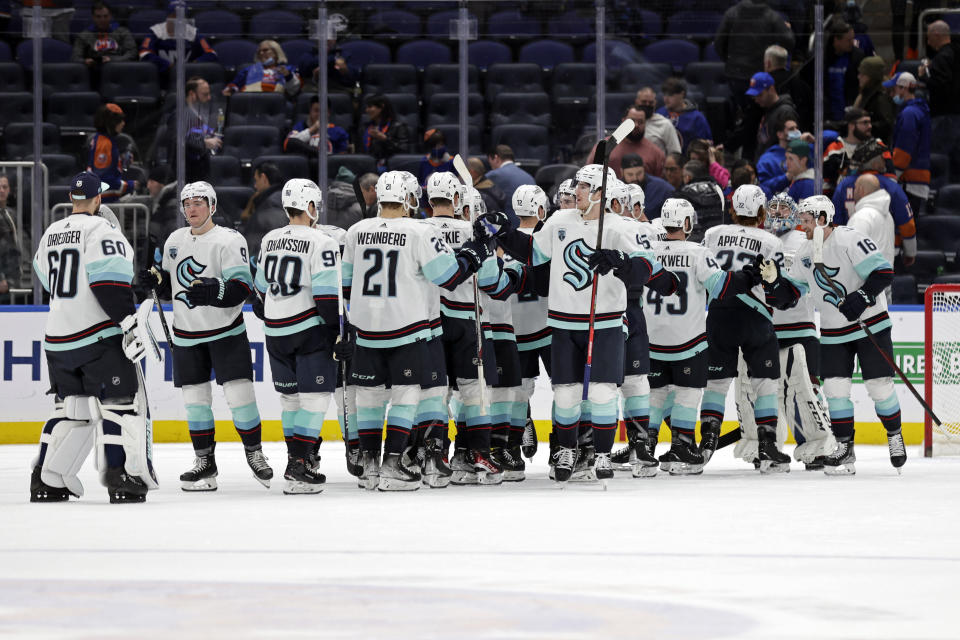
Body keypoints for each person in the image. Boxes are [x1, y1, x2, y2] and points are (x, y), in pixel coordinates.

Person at [477, 164, 679, 483]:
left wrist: (620, 262)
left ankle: (600, 454)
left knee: (601, 393)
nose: (576, 191)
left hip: (606, 323)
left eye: (584, 187)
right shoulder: (559, 220)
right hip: (564, 322)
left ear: (600, 193)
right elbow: (533, 253)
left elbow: (647, 268)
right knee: (566, 394)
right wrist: (504, 232)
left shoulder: (619, 227)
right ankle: (568, 450)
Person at [342, 171, 490, 491]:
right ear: (409, 198)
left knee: (368, 397)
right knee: (407, 395)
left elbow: (344, 285)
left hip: (366, 330)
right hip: (409, 327)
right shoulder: (419, 231)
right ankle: (394, 464)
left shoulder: (355, 231)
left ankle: (369, 465)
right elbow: (449, 277)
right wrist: (477, 251)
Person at [30, 172, 155, 503]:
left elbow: (45, 277)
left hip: (56, 339)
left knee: (69, 409)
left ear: (73, 198)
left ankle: (45, 480)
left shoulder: (51, 232)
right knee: (122, 404)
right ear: (99, 198)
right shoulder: (102, 229)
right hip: (96, 337)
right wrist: (129, 322)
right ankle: (121, 476)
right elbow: (109, 284)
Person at [142, 181, 273, 491]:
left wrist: (216, 291)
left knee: (241, 399)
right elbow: (169, 290)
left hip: (226, 332)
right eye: (187, 204)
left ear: (212, 206)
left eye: (198, 203)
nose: (191, 209)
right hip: (187, 334)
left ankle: (255, 454)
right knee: (195, 403)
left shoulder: (229, 240)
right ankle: (205, 462)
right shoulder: (174, 240)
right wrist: (156, 281)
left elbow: (242, 288)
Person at [784, 195, 905, 474]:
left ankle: (894, 434)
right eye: (801, 222)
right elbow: (792, 292)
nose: (802, 227)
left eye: (806, 221)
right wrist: (773, 284)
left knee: (879, 386)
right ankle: (844, 448)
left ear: (823, 219)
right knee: (835, 390)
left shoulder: (850, 240)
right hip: (833, 330)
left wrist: (862, 297)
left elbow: (883, 272)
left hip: (870, 325)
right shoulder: (804, 253)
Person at [643, 198, 761, 474]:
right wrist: (748, 276)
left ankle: (644, 447)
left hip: (652, 339)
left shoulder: (648, 251)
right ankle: (681, 446)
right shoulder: (697, 252)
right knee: (687, 393)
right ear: (687, 223)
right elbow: (721, 287)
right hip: (688, 341)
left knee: (655, 394)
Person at [253, 179, 344, 494]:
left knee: (290, 400)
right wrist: (336, 331)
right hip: (308, 328)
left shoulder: (270, 238)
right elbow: (327, 297)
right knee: (315, 399)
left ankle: (295, 462)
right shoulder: (322, 241)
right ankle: (300, 464)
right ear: (310, 206)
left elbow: (260, 291)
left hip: (274, 329)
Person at [699, 184, 794, 472]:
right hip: (756, 316)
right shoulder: (771, 242)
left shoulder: (712, 235)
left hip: (719, 313)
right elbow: (778, 286)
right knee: (765, 382)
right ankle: (767, 446)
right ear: (762, 212)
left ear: (733, 209)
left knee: (716, 383)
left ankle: (706, 443)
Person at [762, 193, 835, 468]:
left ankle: (816, 447)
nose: (778, 214)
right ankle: (770, 450)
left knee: (808, 391)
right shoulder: (762, 240)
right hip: (768, 329)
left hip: (801, 326)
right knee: (770, 393)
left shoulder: (804, 241)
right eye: (774, 209)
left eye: (784, 209)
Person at [506, 185, 551, 463]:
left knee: (519, 389)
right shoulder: (549, 238)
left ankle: (518, 431)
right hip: (548, 325)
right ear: (541, 209)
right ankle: (564, 448)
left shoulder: (505, 240)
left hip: (515, 326)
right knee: (566, 388)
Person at [832, 138, 917, 266]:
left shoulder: (843, 185)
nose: (885, 162)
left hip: (849, 256)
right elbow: (908, 226)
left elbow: (835, 224)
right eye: (882, 159)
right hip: (885, 253)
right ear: (876, 164)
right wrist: (910, 252)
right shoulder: (891, 187)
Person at [714, 0, 795, 104]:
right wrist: (788, 30)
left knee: (739, 109)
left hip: (735, 74)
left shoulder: (731, 13)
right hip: (760, 74)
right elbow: (789, 42)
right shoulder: (771, 16)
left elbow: (718, 43)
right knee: (758, 111)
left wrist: (731, 60)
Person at [886, 72, 931, 215]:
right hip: (915, 179)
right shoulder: (919, 110)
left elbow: (904, 149)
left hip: (909, 181)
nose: (891, 94)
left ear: (903, 88)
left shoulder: (909, 114)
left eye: (893, 90)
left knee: (904, 229)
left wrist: (893, 177)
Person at [920, 20, 960, 181]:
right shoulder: (955, 53)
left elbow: (941, 85)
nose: (928, 41)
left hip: (944, 117)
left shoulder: (943, 57)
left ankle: (938, 193)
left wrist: (924, 76)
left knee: (939, 157)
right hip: (955, 114)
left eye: (929, 37)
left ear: (937, 35)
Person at [807, 18, 864, 123]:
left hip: (849, 112)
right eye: (848, 40)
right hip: (827, 113)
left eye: (853, 39)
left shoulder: (857, 57)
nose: (852, 43)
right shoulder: (820, 58)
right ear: (836, 40)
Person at [734, 72, 800, 162]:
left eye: (760, 95)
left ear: (771, 89)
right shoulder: (769, 110)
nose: (756, 100)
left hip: (777, 168)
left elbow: (794, 143)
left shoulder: (785, 112)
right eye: (754, 97)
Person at [166, 76, 221, 184]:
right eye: (205, 94)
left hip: (199, 175)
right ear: (192, 94)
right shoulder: (180, 115)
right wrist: (204, 143)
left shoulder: (198, 115)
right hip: (185, 176)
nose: (209, 98)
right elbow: (177, 141)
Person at [138, 3, 218, 76]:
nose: (178, 20)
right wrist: (167, 65)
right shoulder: (156, 31)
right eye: (174, 16)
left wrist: (194, 64)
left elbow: (211, 53)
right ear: (168, 16)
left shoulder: (193, 32)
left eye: (181, 16)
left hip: (187, 76)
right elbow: (144, 53)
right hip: (161, 75)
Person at [590, 105, 665, 179]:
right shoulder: (604, 146)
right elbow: (590, 175)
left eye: (641, 122)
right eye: (632, 121)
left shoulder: (656, 153)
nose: (636, 125)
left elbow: (659, 184)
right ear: (623, 121)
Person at [71, 1, 135, 83]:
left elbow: (132, 53)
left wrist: (113, 60)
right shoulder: (84, 35)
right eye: (98, 17)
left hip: (119, 72)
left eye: (105, 16)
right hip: (94, 74)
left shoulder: (122, 32)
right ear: (93, 17)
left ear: (110, 16)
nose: (102, 20)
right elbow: (75, 57)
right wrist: (85, 61)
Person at [87, 104, 137, 203]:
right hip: (103, 204)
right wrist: (130, 185)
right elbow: (104, 180)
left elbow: (108, 170)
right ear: (110, 123)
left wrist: (121, 161)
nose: (123, 124)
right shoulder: (104, 144)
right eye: (119, 121)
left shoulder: (104, 139)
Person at [850, 174, 896, 277]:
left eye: (855, 187)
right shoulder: (888, 215)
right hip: (884, 281)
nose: (854, 191)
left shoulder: (861, 217)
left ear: (861, 190)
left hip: (866, 285)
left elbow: (851, 255)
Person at [224, 40, 301, 97]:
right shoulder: (249, 69)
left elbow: (294, 90)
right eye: (259, 52)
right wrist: (231, 89)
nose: (261, 53)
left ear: (276, 53)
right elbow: (234, 85)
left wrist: (287, 75)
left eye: (265, 50)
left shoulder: (288, 69)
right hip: (250, 100)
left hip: (275, 101)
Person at [764, 44, 814, 131]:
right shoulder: (802, 84)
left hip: (775, 135)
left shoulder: (765, 86)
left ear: (768, 63)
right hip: (801, 134)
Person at [823, 107, 873, 195]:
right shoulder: (834, 150)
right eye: (865, 122)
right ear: (851, 125)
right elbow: (825, 184)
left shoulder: (876, 147)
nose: (870, 126)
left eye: (870, 122)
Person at [240, 162, 286, 255]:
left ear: (264, 178)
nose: (255, 186)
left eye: (256, 180)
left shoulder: (270, 203)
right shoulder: (283, 197)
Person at [674, 160, 725, 241]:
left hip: (694, 243)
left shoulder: (682, 195)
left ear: (687, 178)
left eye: (683, 176)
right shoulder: (719, 191)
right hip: (719, 239)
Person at [658, 78, 712, 153]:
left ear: (682, 94)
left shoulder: (697, 118)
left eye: (670, 95)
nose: (666, 99)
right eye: (664, 95)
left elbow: (705, 145)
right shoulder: (660, 113)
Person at [284, 96, 350, 156]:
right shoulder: (300, 127)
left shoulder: (338, 131)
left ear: (329, 113)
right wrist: (312, 129)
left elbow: (342, 157)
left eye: (323, 111)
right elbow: (287, 144)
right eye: (316, 110)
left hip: (327, 165)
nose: (319, 114)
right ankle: (322, 155)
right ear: (310, 111)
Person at [853, 56, 896, 144]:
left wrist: (863, 126)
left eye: (862, 74)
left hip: (876, 148)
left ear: (870, 77)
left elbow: (886, 125)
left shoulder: (880, 97)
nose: (858, 77)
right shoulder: (866, 93)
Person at [361, 94, 410, 170]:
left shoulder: (398, 126)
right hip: (368, 166)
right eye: (366, 107)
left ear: (381, 107)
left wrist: (385, 139)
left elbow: (404, 149)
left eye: (370, 107)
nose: (367, 110)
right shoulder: (365, 127)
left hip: (393, 168)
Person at [757, 118, 803, 196]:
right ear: (780, 134)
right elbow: (763, 187)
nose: (796, 131)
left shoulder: (804, 153)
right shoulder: (767, 159)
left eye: (797, 128)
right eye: (791, 129)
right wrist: (786, 177)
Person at [485, 145, 536, 215]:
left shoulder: (494, 175)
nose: (490, 165)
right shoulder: (529, 177)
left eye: (489, 161)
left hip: (511, 223)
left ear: (496, 158)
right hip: (531, 222)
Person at [621, 154, 672, 219]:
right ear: (621, 172)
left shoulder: (661, 187)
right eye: (630, 174)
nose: (635, 178)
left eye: (639, 173)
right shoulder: (616, 189)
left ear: (644, 170)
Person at [634, 87, 682, 155]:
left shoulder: (665, 124)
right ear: (637, 101)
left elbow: (675, 153)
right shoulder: (628, 122)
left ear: (655, 103)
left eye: (651, 102)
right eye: (644, 102)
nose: (647, 105)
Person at [0, 174, 21, 303]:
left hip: (12, 276)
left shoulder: (11, 213)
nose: (1, 190)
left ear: (9, 190)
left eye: (4, 187)